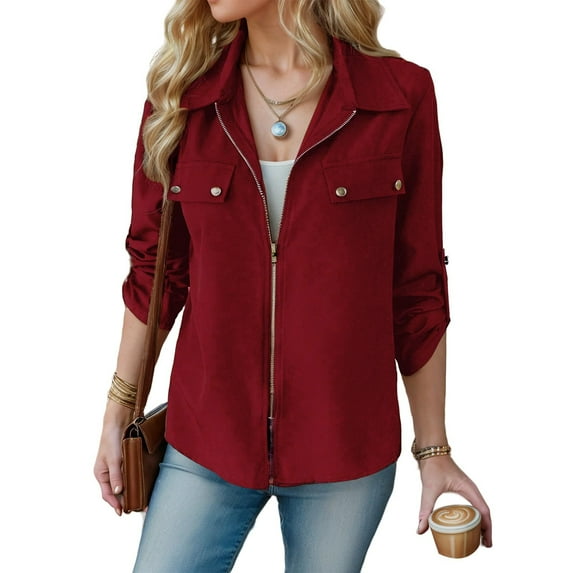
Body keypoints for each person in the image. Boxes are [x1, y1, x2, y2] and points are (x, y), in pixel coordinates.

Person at [94, 0, 493, 570]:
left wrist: (434, 450)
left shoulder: (399, 96)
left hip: (345, 450)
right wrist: (117, 411)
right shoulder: (181, 98)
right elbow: (155, 269)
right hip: (206, 438)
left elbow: (416, 287)